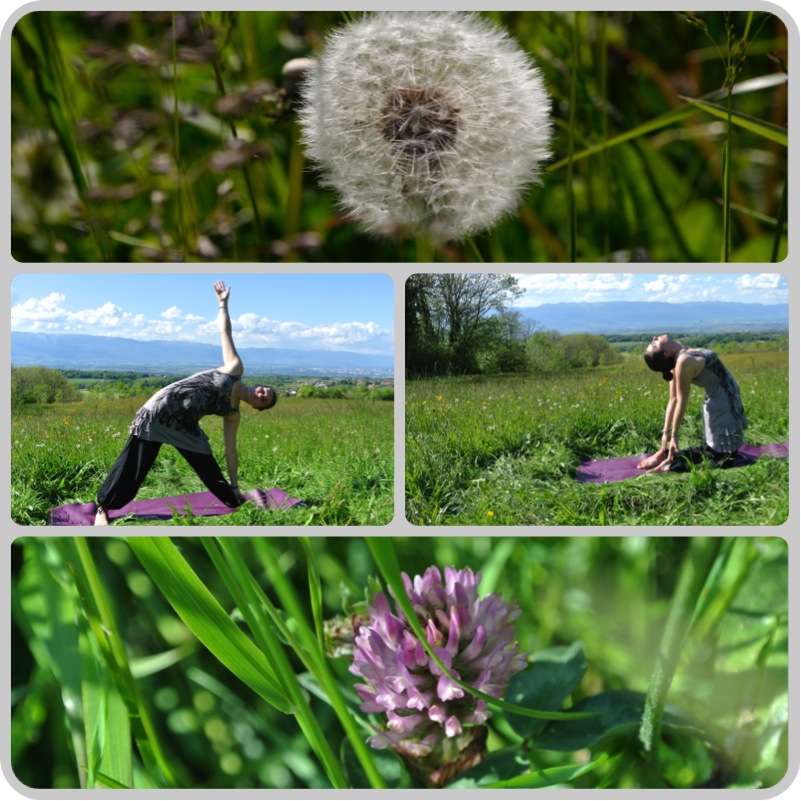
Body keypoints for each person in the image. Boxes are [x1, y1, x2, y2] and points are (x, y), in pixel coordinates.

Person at [94, 281, 277, 525]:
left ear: (258, 407)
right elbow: (226, 334)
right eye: (264, 391)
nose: (262, 394)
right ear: (258, 386)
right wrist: (223, 304)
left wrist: (235, 484)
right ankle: (104, 508)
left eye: (264, 400)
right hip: (162, 411)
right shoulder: (235, 369)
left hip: (185, 426)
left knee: (208, 463)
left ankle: (234, 499)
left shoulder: (233, 413)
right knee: (136, 464)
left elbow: (230, 451)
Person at [637, 334, 747, 473]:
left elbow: (674, 399)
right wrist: (672, 436)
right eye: (654, 344)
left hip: (720, 401)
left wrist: (667, 435)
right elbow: (678, 400)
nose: (653, 338)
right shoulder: (683, 361)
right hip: (722, 405)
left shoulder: (678, 353)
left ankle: (666, 457)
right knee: (723, 458)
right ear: (666, 352)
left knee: (713, 450)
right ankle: (669, 466)